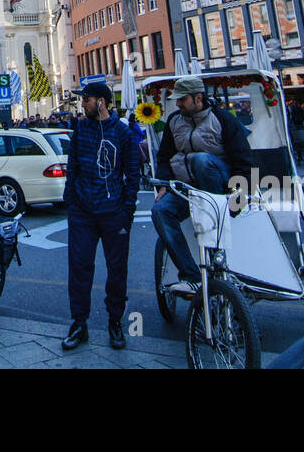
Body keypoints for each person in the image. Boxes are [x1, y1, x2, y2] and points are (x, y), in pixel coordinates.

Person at [151, 76, 257, 290]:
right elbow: (164, 157)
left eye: (182, 99)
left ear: (198, 98)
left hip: (219, 184)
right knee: (160, 211)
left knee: (200, 159)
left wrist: (239, 196)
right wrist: (163, 184)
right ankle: (191, 276)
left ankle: (212, 212)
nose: (178, 103)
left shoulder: (223, 119)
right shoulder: (174, 121)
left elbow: (243, 160)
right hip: (188, 188)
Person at [61, 82, 140, 352]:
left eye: (87, 100)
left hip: (113, 212)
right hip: (82, 211)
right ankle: (78, 324)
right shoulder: (81, 128)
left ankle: (115, 322)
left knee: (117, 270)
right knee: (79, 269)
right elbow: (72, 167)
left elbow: (132, 174)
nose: (83, 104)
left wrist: (127, 209)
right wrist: (70, 200)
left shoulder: (123, 133)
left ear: (102, 102)